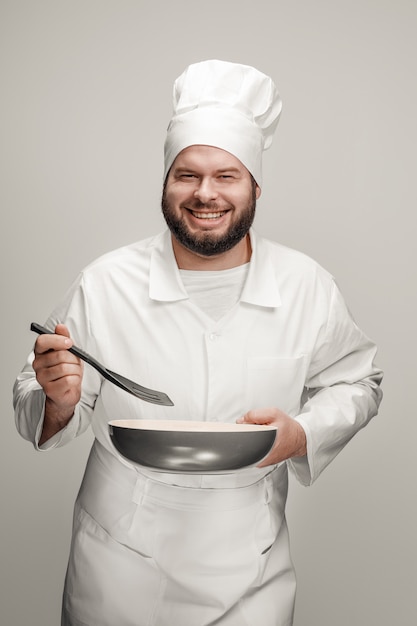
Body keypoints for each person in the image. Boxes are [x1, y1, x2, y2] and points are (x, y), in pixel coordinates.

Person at [13, 60, 383, 626]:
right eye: (185, 174)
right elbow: (40, 398)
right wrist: (59, 401)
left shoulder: (306, 284)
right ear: (164, 182)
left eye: (225, 176)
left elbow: (357, 380)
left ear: (255, 186)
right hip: (119, 558)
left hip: (250, 559)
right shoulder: (106, 282)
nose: (204, 194)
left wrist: (303, 433)